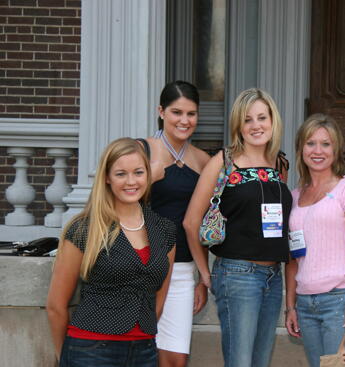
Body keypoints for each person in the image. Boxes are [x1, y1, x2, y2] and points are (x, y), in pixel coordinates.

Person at [183, 88, 292, 367]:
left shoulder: (279, 163)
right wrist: (205, 274)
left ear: (272, 121)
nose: (256, 125)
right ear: (238, 126)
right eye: (247, 120)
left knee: (259, 361)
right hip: (237, 274)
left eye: (262, 117)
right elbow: (191, 221)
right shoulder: (224, 161)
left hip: (272, 276)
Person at [46, 138, 176, 367]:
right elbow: (56, 305)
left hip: (145, 351)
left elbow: (159, 299)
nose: (131, 181)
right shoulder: (85, 229)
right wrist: (65, 357)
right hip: (91, 350)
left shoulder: (165, 230)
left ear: (148, 175)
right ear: (106, 177)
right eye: (120, 174)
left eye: (138, 172)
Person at [284, 114, 345, 367]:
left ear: (336, 149)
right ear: (301, 149)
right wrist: (290, 306)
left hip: (340, 300)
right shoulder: (294, 196)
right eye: (311, 143)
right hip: (305, 303)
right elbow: (292, 258)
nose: (318, 151)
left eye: (326, 144)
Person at [138, 81, 210, 367]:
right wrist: (151, 172)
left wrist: (200, 279)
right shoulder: (141, 149)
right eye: (176, 112)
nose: (184, 120)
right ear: (161, 112)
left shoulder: (203, 160)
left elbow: (201, 224)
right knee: (139, 351)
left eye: (191, 114)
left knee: (175, 359)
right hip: (142, 265)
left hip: (182, 269)